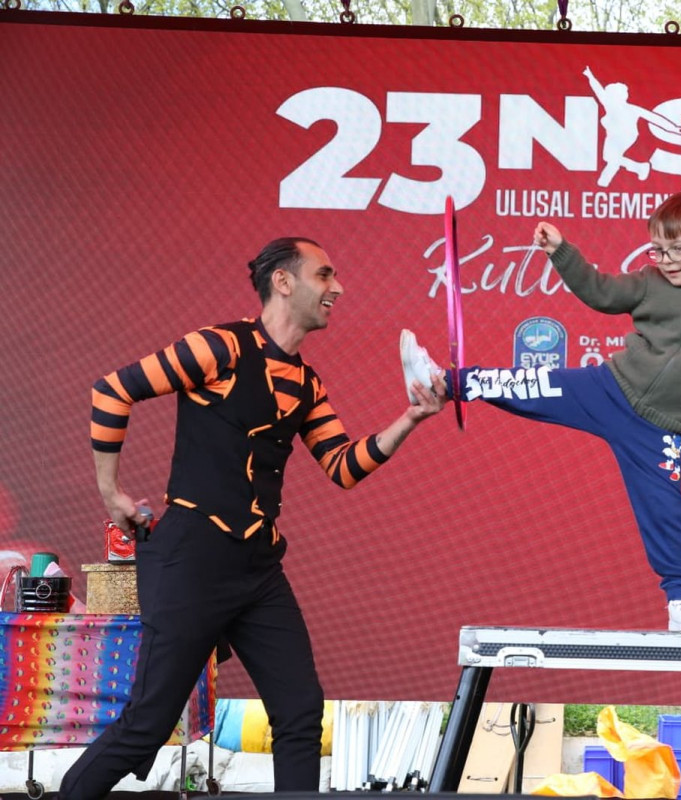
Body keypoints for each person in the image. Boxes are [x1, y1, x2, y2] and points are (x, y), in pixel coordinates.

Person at [62, 238, 446, 799]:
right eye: (324, 275)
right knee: (147, 725)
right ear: (283, 283)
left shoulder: (307, 383)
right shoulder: (217, 347)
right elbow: (112, 392)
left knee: (300, 712)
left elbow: (342, 466)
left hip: (258, 568)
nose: (338, 288)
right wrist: (111, 494)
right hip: (192, 558)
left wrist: (410, 418)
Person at [401, 190, 681, 632]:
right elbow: (600, 292)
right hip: (611, 389)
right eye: (658, 249)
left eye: (678, 250)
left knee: (666, 508)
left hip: (661, 429)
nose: (667, 260)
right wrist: (561, 252)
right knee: (532, 384)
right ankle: (442, 382)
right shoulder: (648, 282)